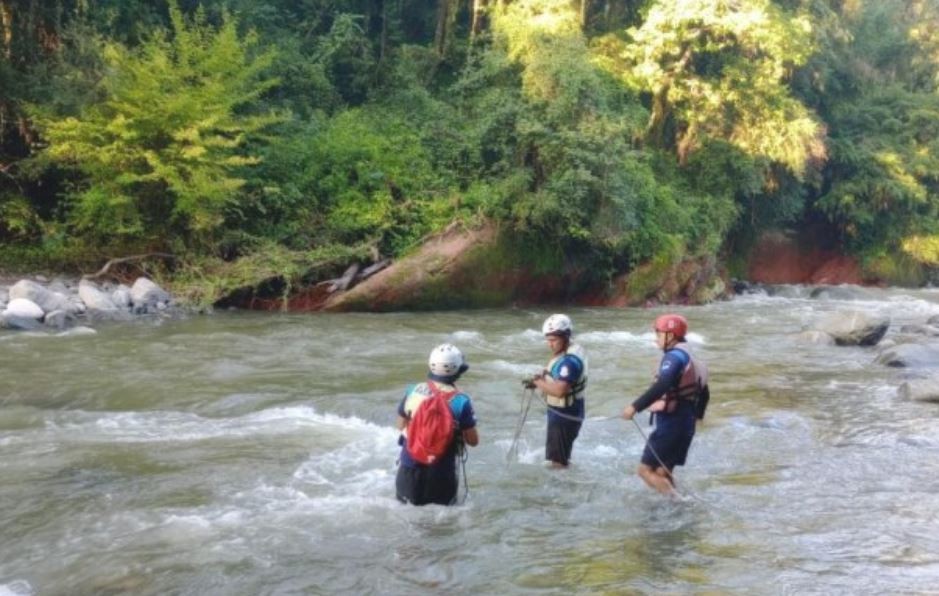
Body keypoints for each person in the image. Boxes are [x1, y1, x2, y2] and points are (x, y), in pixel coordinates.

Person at [622, 314, 710, 495]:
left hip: (672, 423)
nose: (656, 339)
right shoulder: (692, 358)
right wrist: (697, 417)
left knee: (645, 471)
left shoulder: (674, 357)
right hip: (686, 422)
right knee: (663, 471)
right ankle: (675, 509)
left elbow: (663, 384)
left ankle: (678, 503)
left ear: (670, 336)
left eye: (658, 334)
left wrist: (635, 407)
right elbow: (705, 393)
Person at [395, 343, 479, 506]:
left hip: (408, 468)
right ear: (457, 371)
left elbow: (400, 425)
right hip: (441, 473)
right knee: (440, 526)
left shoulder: (413, 391)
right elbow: (473, 441)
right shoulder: (461, 401)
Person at [527, 314, 588, 468]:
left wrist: (537, 382)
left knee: (557, 463)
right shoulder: (570, 352)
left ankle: (559, 489)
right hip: (570, 411)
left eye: (554, 340)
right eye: (548, 340)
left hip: (564, 415)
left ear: (566, 337)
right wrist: (544, 378)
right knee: (562, 457)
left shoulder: (569, 362)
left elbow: (560, 390)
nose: (550, 344)